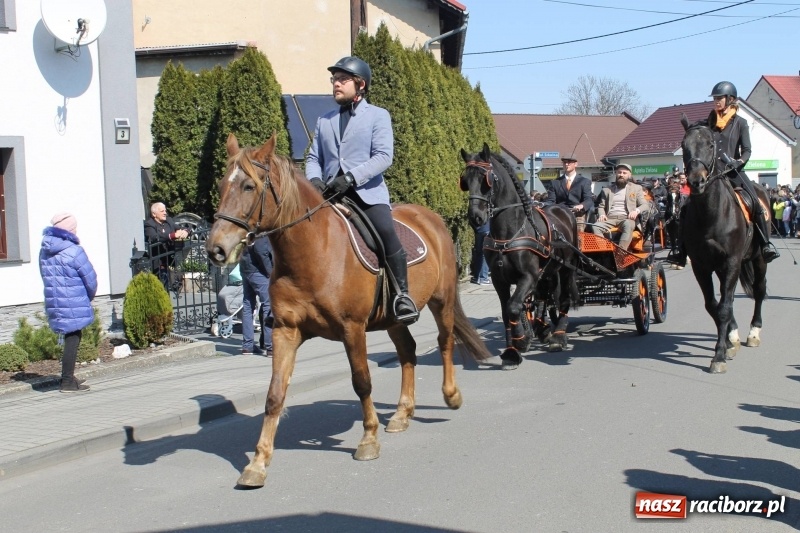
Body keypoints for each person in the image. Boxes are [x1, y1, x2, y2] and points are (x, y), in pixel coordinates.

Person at [305, 55, 418, 324]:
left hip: (366, 193)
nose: (336, 84)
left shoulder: (378, 116)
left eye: (343, 80)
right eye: (334, 79)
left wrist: (351, 178)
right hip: (329, 193)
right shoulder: (325, 120)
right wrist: (314, 180)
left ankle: (402, 295)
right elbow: (313, 158)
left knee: (386, 232)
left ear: (361, 85)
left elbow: (383, 156)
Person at [669, 81, 779, 266]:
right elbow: (697, 136)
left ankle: (765, 244)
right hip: (711, 172)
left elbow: (747, 150)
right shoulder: (709, 122)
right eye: (715, 98)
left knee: (755, 201)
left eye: (719, 98)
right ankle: (680, 249)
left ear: (731, 99)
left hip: (733, 170)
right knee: (686, 206)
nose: (716, 101)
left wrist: (739, 162)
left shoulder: (740, 123)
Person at [39, 213, 98, 393]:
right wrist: (88, 296)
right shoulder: (74, 250)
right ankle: (67, 382)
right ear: (69, 230)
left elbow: (44, 275)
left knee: (69, 338)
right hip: (74, 300)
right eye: (74, 227)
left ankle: (69, 377)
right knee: (73, 338)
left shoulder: (44, 250)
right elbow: (90, 279)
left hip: (55, 300)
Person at [592, 163, 649, 251]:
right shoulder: (607, 189)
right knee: (595, 226)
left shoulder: (636, 188)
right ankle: (604, 250)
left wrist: (636, 211)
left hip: (627, 218)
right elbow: (601, 206)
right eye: (619, 172)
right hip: (609, 218)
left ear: (629, 175)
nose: (621, 175)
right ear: (616, 174)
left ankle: (621, 252)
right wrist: (602, 215)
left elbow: (645, 205)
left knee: (628, 225)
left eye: (624, 173)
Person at [239, 237, 274, 356]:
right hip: (258, 271)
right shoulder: (259, 228)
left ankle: (247, 346)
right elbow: (261, 251)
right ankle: (270, 347)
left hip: (245, 268)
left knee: (248, 306)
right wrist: (270, 271)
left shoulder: (246, 226)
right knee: (268, 304)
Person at [143, 202, 190, 288]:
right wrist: (172, 235)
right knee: (161, 286)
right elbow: (154, 238)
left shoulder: (169, 221)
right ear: (154, 214)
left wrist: (185, 231)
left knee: (169, 285)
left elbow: (181, 228)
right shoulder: (149, 224)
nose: (165, 213)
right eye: (162, 211)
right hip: (157, 261)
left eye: (165, 210)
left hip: (170, 260)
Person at [544, 155, 594, 232]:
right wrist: (542, 205)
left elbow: (588, 199)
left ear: (576, 164)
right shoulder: (555, 182)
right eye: (564, 163)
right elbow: (551, 201)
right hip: (559, 214)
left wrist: (581, 205)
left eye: (569, 162)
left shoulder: (584, 181)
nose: (566, 164)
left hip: (578, 214)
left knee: (578, 234)